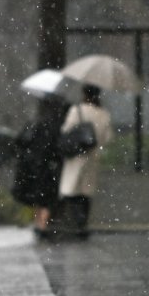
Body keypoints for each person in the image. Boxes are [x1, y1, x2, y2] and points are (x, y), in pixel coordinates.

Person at [55, 85, 112, 239]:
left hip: (76, 157)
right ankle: (82, 224)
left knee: (71, 191)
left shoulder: (77, 110)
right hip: (93, 157)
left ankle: (72, 224)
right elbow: (107, 138)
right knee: (86, 193)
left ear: (84, 94)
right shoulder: (104, 114)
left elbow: (66, 130)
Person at [11, 97, 70, 239]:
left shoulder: (33, 123)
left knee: (39, 199)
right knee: (47, 199)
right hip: (47, 168)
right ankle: (42, 227)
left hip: (32, 167)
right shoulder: (54, 126)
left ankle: (38, 225)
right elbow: (57, 148)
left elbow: (20, 142)